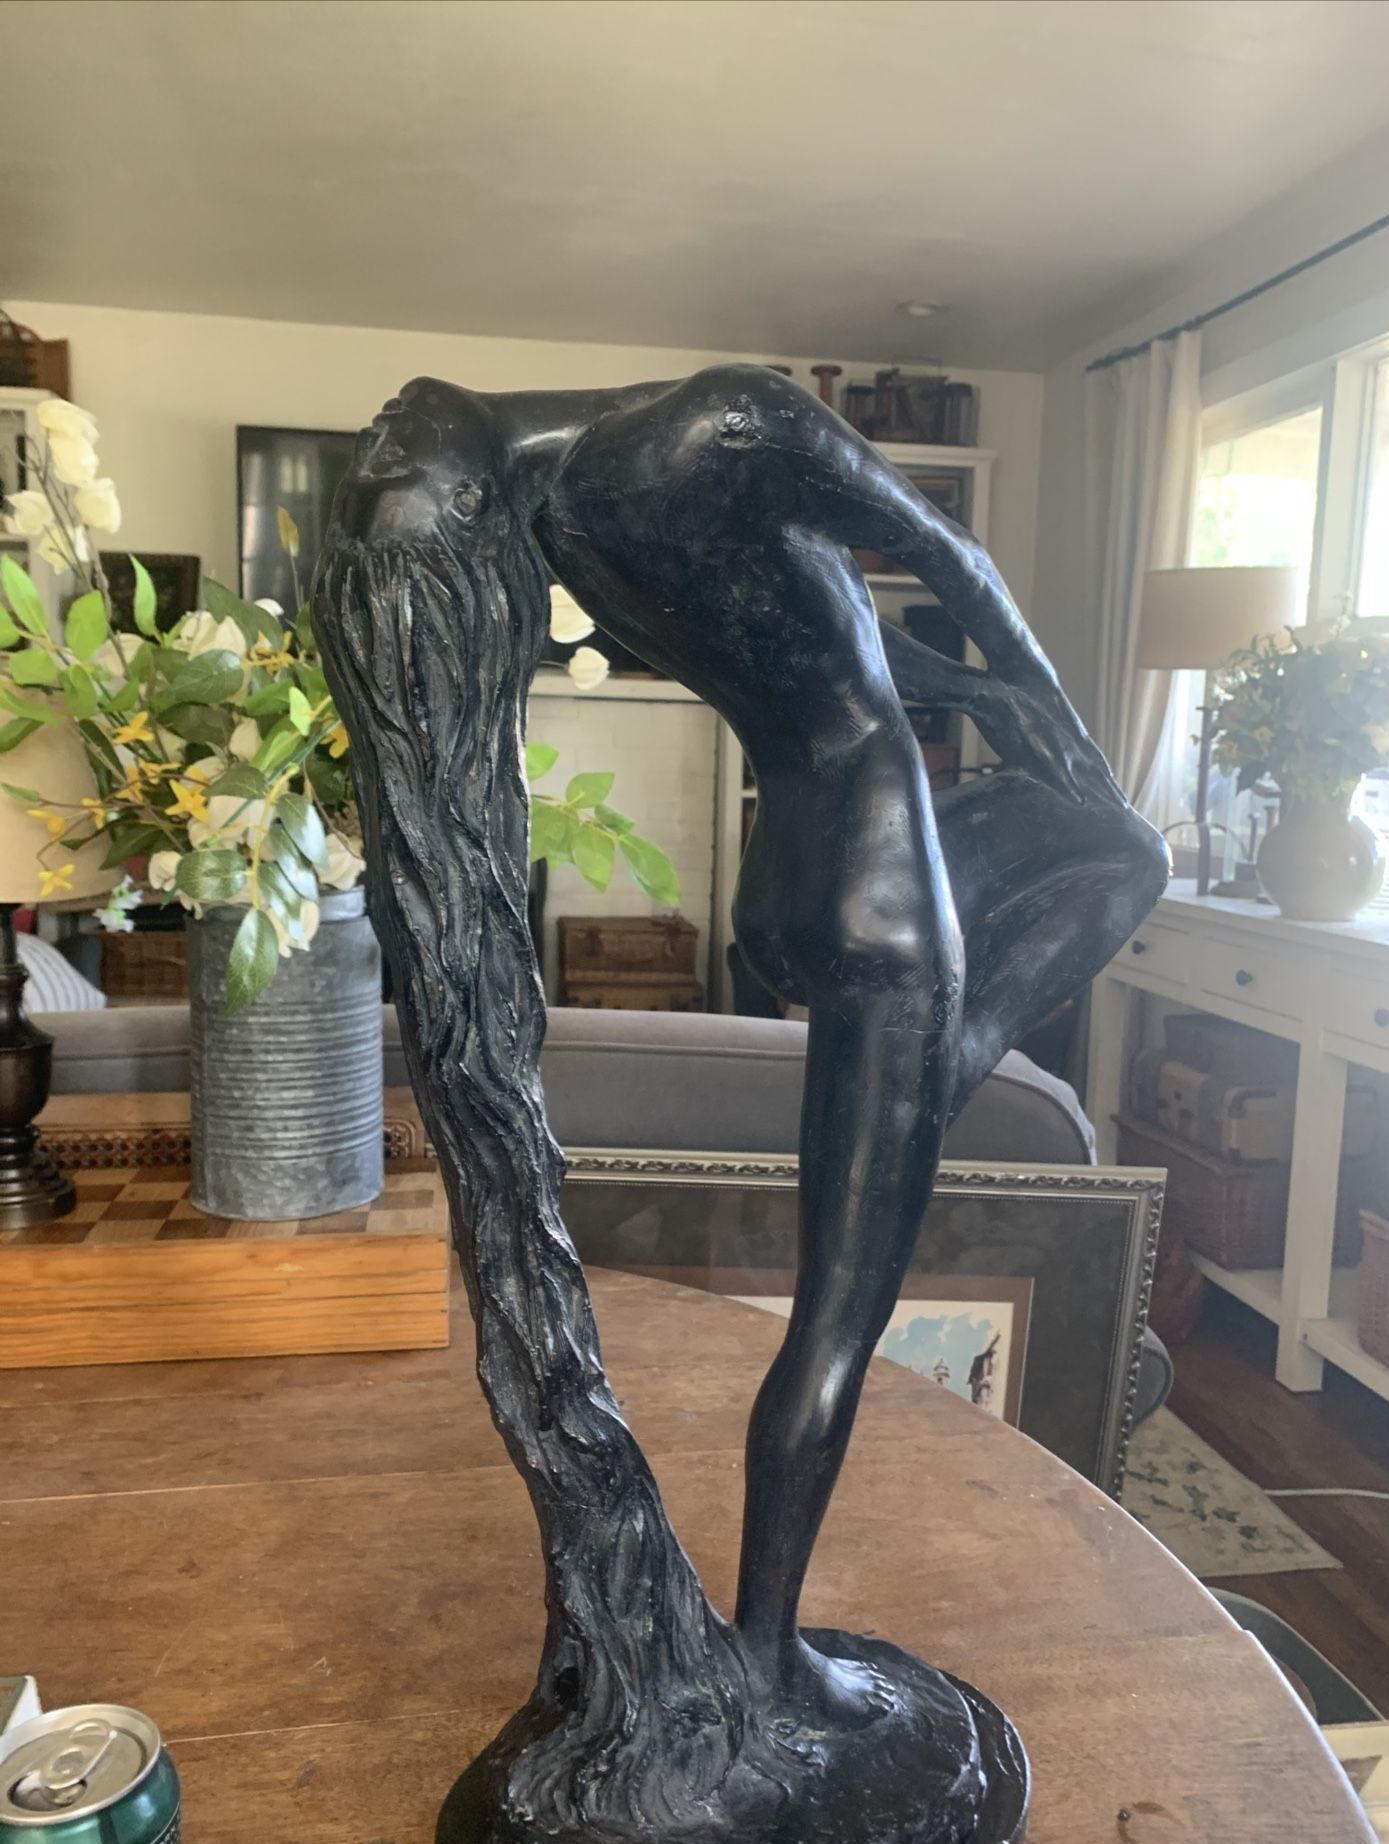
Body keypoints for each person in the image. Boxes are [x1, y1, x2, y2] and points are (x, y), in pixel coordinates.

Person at [331, 365, 1168, 1728]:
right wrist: (1061, 729)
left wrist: (982, 699)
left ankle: (928, 1084)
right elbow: (954, 555)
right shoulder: (728, 419)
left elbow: (816, 647)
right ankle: (774, 1655)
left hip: (787, 887)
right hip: (881, 888)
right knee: (839, 1324)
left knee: (1126, 857)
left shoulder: (566, 521)